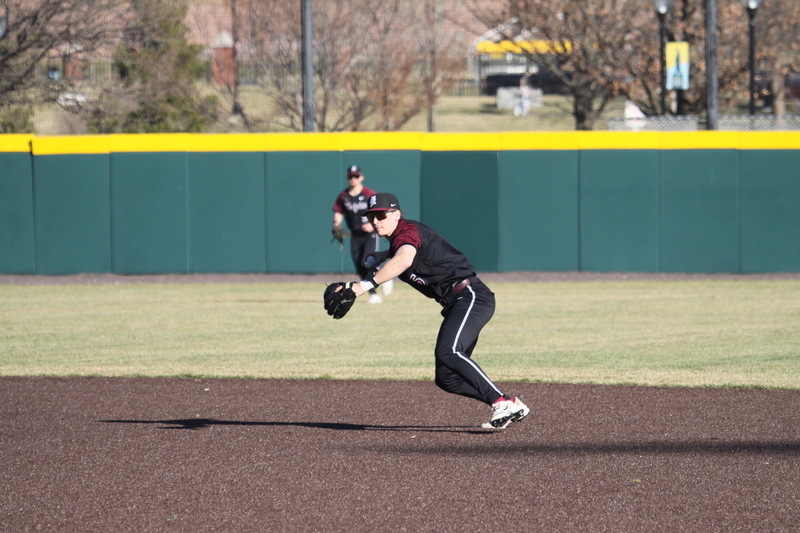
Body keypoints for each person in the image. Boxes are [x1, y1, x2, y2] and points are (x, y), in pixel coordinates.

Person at [347, 192, 529, 429]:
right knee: (447, 379)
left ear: (397, 215)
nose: (376, 221)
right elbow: (400, 252)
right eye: (372, 217)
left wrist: (366, 285)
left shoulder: (407, 230)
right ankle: (509, 403)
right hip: (456, 303)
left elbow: (404, 259)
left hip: (471, 296)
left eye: (381, 215)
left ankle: (501, 402)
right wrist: (379, 257)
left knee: (449, 351)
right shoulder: (399, 239)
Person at [331, 165, 393, 303]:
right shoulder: (344, 196)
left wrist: (373, 224)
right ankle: (374, 294)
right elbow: (338, 212)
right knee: (359, 265)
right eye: (351, 177)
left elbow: (380, 210)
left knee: (368, 260)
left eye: (356, 176)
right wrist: (336, 224)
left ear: (361, 177)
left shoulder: (368, 194)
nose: (353, 179)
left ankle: (386, 275)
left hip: (370, 233)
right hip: (355, 234)